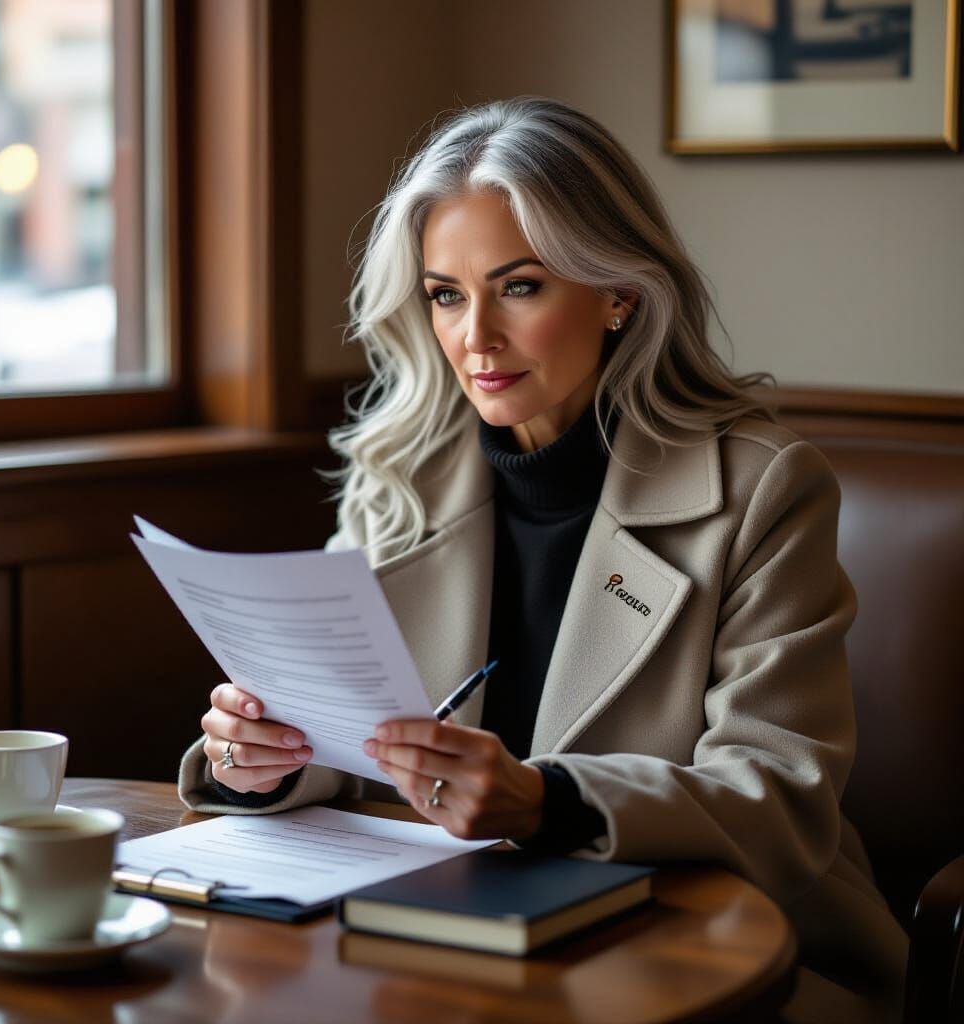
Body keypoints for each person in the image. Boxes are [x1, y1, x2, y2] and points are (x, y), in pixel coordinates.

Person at [179, 97, 906, 1022]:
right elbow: (348, 731)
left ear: (618, 293)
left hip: (714, 950)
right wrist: (267, 758)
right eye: (446, 293)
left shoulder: (762, 488)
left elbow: (778, 799)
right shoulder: (395, 475)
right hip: (444, 941)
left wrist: (542, 800)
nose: (474, 336)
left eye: (519, 286)